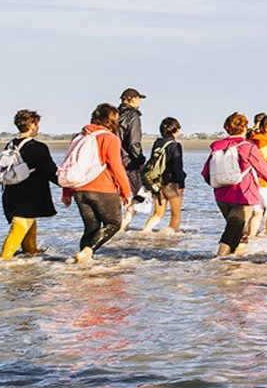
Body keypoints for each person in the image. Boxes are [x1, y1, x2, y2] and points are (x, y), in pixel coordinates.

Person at [61, 102, 134, 263]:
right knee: (114, 224)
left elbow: (69, 164)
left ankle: (84, 263)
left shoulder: (79, 137)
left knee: (91, 228)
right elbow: (117, 168)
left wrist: (66, 192)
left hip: (79, 190)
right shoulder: (109, 138)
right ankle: (87, 252)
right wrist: (126, 192)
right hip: (103, 189)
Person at [204, 111, 267, 257]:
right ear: (244, 128)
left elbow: (206, 172)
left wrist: (218, 184)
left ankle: (237, 262)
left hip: (220, 195)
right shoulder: (247, 147)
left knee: (239, 230)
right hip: (242, 195)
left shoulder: (217, 147)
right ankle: (220, 260)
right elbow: (263, 168)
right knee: (233, 230)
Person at [0, 109, 58, 259]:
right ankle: (2, 263)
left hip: (10, 193)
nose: (38, 128)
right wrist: (68, 184)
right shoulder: (38, 147)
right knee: (19, 227)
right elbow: (50, 171)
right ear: (31, 125)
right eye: (37, 124)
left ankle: (31, 259)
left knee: (29, 229)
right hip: (29, 196)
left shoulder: (10, 145)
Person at [140, 117, 186, 232]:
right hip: (171, 184)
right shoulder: (175, 145)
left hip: (157, 183)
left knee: (158, 214)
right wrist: (181, 184)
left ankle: (144, 232)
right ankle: (171, 237)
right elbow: (177, 166)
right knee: (176, 215)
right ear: (174, 129)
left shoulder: (157, 143)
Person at [116, 88, 149, 210]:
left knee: (119, 194)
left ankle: (118, 224)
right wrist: (140, 161)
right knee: (140, 196)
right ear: (133, 99)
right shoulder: (133, 117)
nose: (139, 102)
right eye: (139, 99)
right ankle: (125, 225)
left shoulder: (114, 115)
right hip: (130, 162)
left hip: (114, 160)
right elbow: (134, 142)